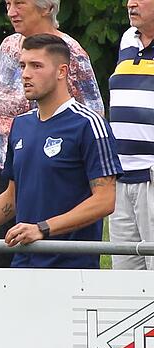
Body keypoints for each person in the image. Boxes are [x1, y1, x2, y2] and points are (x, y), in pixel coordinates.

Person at [0, 34, 122, 269]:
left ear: (61, 72)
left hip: (71, 268)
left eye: (36, 66)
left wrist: (43, 229)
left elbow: (105, 200)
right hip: (23, 263)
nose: (26, 74)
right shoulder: (20, 125)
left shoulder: (89, 125)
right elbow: (12, 198)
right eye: (23, 65)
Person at [0, 0, 104, 267]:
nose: (11, 12)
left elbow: (93, 111)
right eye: (8, 4)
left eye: (19, 3)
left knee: (44, 249)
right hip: (6, 162)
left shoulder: (70, 52)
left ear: (46, 8)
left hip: (52, 166)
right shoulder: (9, 46)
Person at [109, 0, 154, 270]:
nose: (130, 3)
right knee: (125, 275)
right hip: (122, 176)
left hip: (152, 176)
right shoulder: (128, 38)